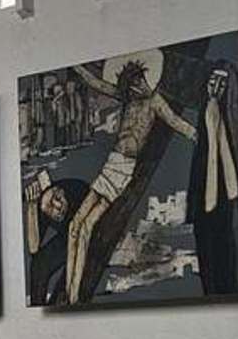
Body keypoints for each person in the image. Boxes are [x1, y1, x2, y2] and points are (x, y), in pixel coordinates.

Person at [62, 58, 198, 304]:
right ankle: (71, 293)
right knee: (75, 227)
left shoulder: (155, 101)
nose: (139, 87)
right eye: (134, 84)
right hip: (111, 163)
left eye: (141, 82)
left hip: (124, 168)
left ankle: (73, 295)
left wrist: (197, 135)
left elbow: (175, 121)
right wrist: (77, 68)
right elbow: (97, 84)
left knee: (87, 226)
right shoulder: (128, 98)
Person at [186, 64, 238, 295]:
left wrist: (216, 130)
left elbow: (231, 183)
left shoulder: (228, 119)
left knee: (224, 261)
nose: (216, 87)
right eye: (213, 81)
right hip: (208, 202)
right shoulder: (206, 113)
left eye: (222, 84)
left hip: (221, 204)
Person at [24, 172, 88, 305]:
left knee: (67, 281)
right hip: (68, 236)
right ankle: (37, 309)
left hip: (86, 232)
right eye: (49, 208)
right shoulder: (42, 206)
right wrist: (32, 206)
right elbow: (34, 249)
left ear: (60, 191)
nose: (57, 208)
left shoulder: (77, 189)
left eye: (57, 198)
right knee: (38, 265)